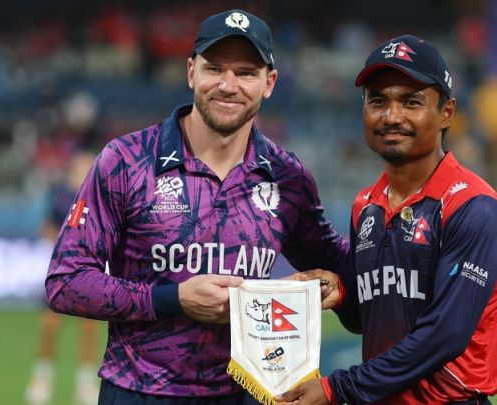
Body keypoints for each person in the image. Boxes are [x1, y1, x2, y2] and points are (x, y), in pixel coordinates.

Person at [45, 8, 349, 405]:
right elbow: (66, 282)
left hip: (246, 393)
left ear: (269, 83)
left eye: (246, 73)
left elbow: (336, 265)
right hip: (140, 392)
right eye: (215, 69)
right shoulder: (126, 160)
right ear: (191, 72)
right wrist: (173, 298)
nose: (228, 85)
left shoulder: (288, 177)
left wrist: (333, 284)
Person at [275, 35, 497, 405]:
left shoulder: (474, 207)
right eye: (377, 100)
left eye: (411, 101)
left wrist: (336, 389)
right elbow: (369, 320)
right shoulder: (366, 206)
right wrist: (342, 294)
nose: (391, 116)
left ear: (446, 113)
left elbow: (444, 334)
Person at [26, 150, 101, 405]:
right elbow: (47, 226)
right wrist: (61, 246)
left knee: (89, 328)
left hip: (90, 271)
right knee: (50, 326)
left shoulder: (99, 195)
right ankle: (41, 378)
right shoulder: (60, 196)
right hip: (62, 270)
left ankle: (86, 383)